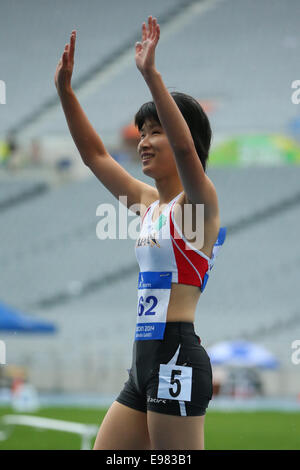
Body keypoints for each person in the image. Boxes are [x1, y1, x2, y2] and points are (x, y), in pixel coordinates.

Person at [55, 16, 226, 450]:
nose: (144, 142)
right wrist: (66, 94)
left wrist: (151, 75)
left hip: (176, 355)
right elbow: (95, 155)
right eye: (143, 133)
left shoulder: (198, 205)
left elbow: (187, 149)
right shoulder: (150, 205)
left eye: (156, 132)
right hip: (144, 356)